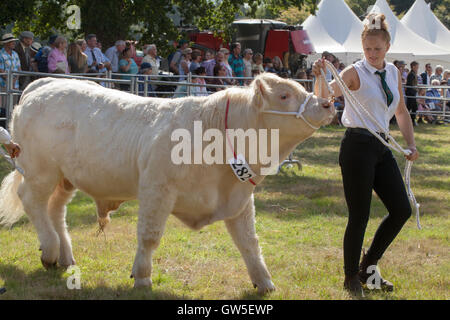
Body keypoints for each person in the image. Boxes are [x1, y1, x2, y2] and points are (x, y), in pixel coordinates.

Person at [313, 13, 419, 297]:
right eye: (368, 49)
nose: (372, 54)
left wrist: (411, 144)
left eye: (377, 49)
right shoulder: (354, 72)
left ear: (387, 47)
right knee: (359, 215)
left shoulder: (395, 72)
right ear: (363, 48)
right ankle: (351, 278)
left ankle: (368, 265)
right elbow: (325, 99)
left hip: (382, 146)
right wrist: (319, 77)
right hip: (357, 147)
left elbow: (401, 111)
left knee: (401, 210)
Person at [406, 61, 419, 126]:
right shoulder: (411, 74)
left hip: (412, 93)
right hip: (411, 93)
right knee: (410, 107)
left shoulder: (413, 73)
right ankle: (410, 121)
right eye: (416, 67)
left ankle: (412, 120)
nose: (417, 68)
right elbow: (409, 84)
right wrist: (414, 90)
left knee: (414, 107)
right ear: (413, 66)